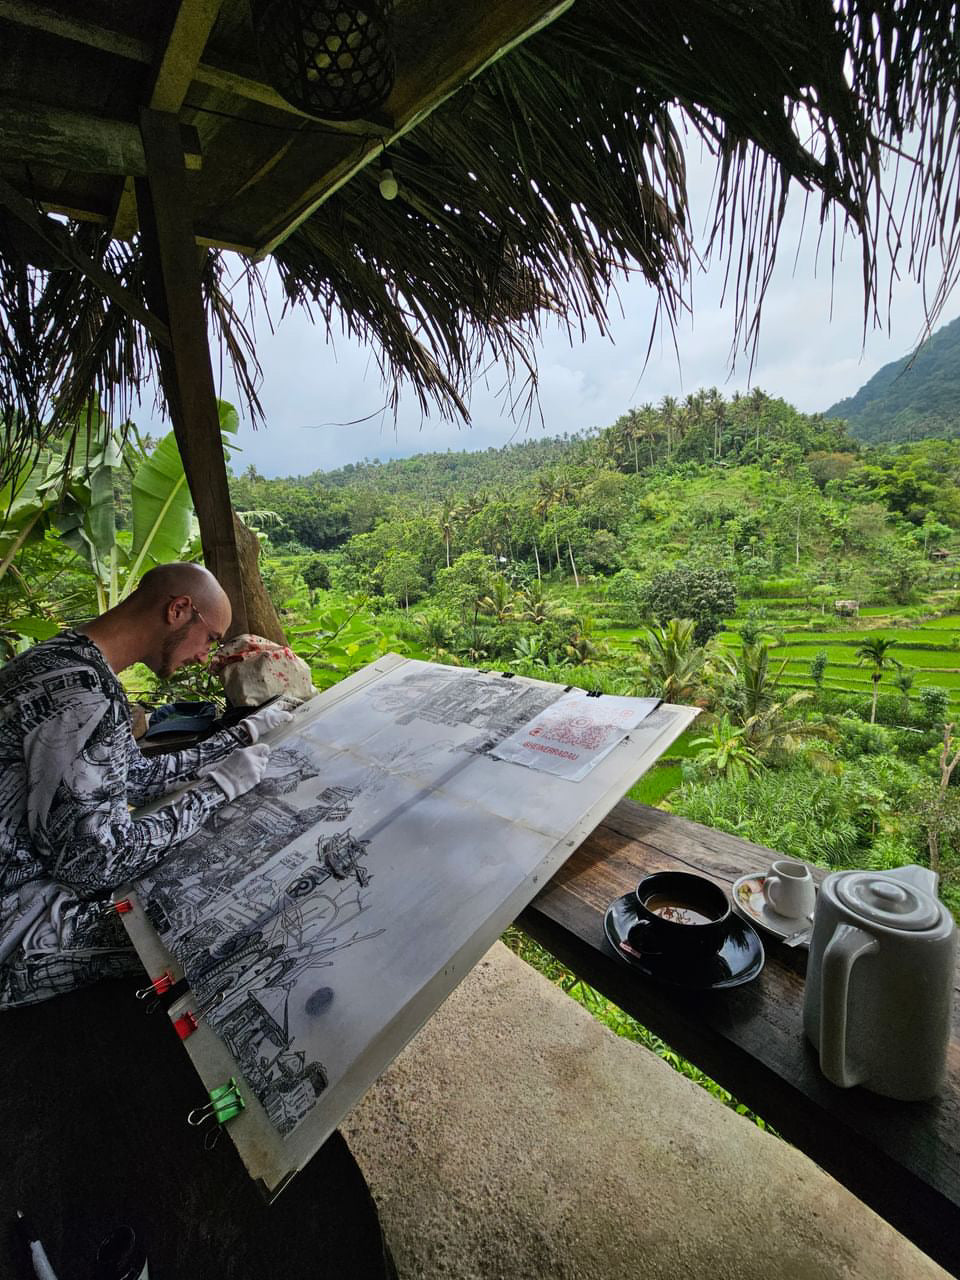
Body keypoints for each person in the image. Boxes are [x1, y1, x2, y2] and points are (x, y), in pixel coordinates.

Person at [0, 562, 292, 1009]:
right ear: (179, 610)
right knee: (224, 919)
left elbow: (130, 775)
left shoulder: (65, 661)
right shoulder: (84, 698)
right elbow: (97, 863)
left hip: (31, 875)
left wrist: (239, 737)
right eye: (210, 638)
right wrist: (217, 791)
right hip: (18, 919)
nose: (205, 656)